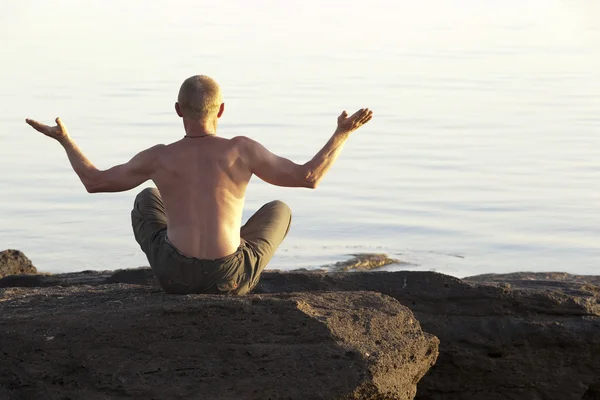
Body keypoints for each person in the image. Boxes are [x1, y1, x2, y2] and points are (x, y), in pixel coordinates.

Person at [25, 75, 373, 295]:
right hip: (231, 278)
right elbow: (308, 177)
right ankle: (234, 258)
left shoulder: (158, 157)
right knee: (279, 209)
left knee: (147, 196)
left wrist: (65, 141)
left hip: (174, 278)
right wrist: (342, 134)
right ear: (220, 110)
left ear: (178, 110)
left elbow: (94, 182)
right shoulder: (242, 150)